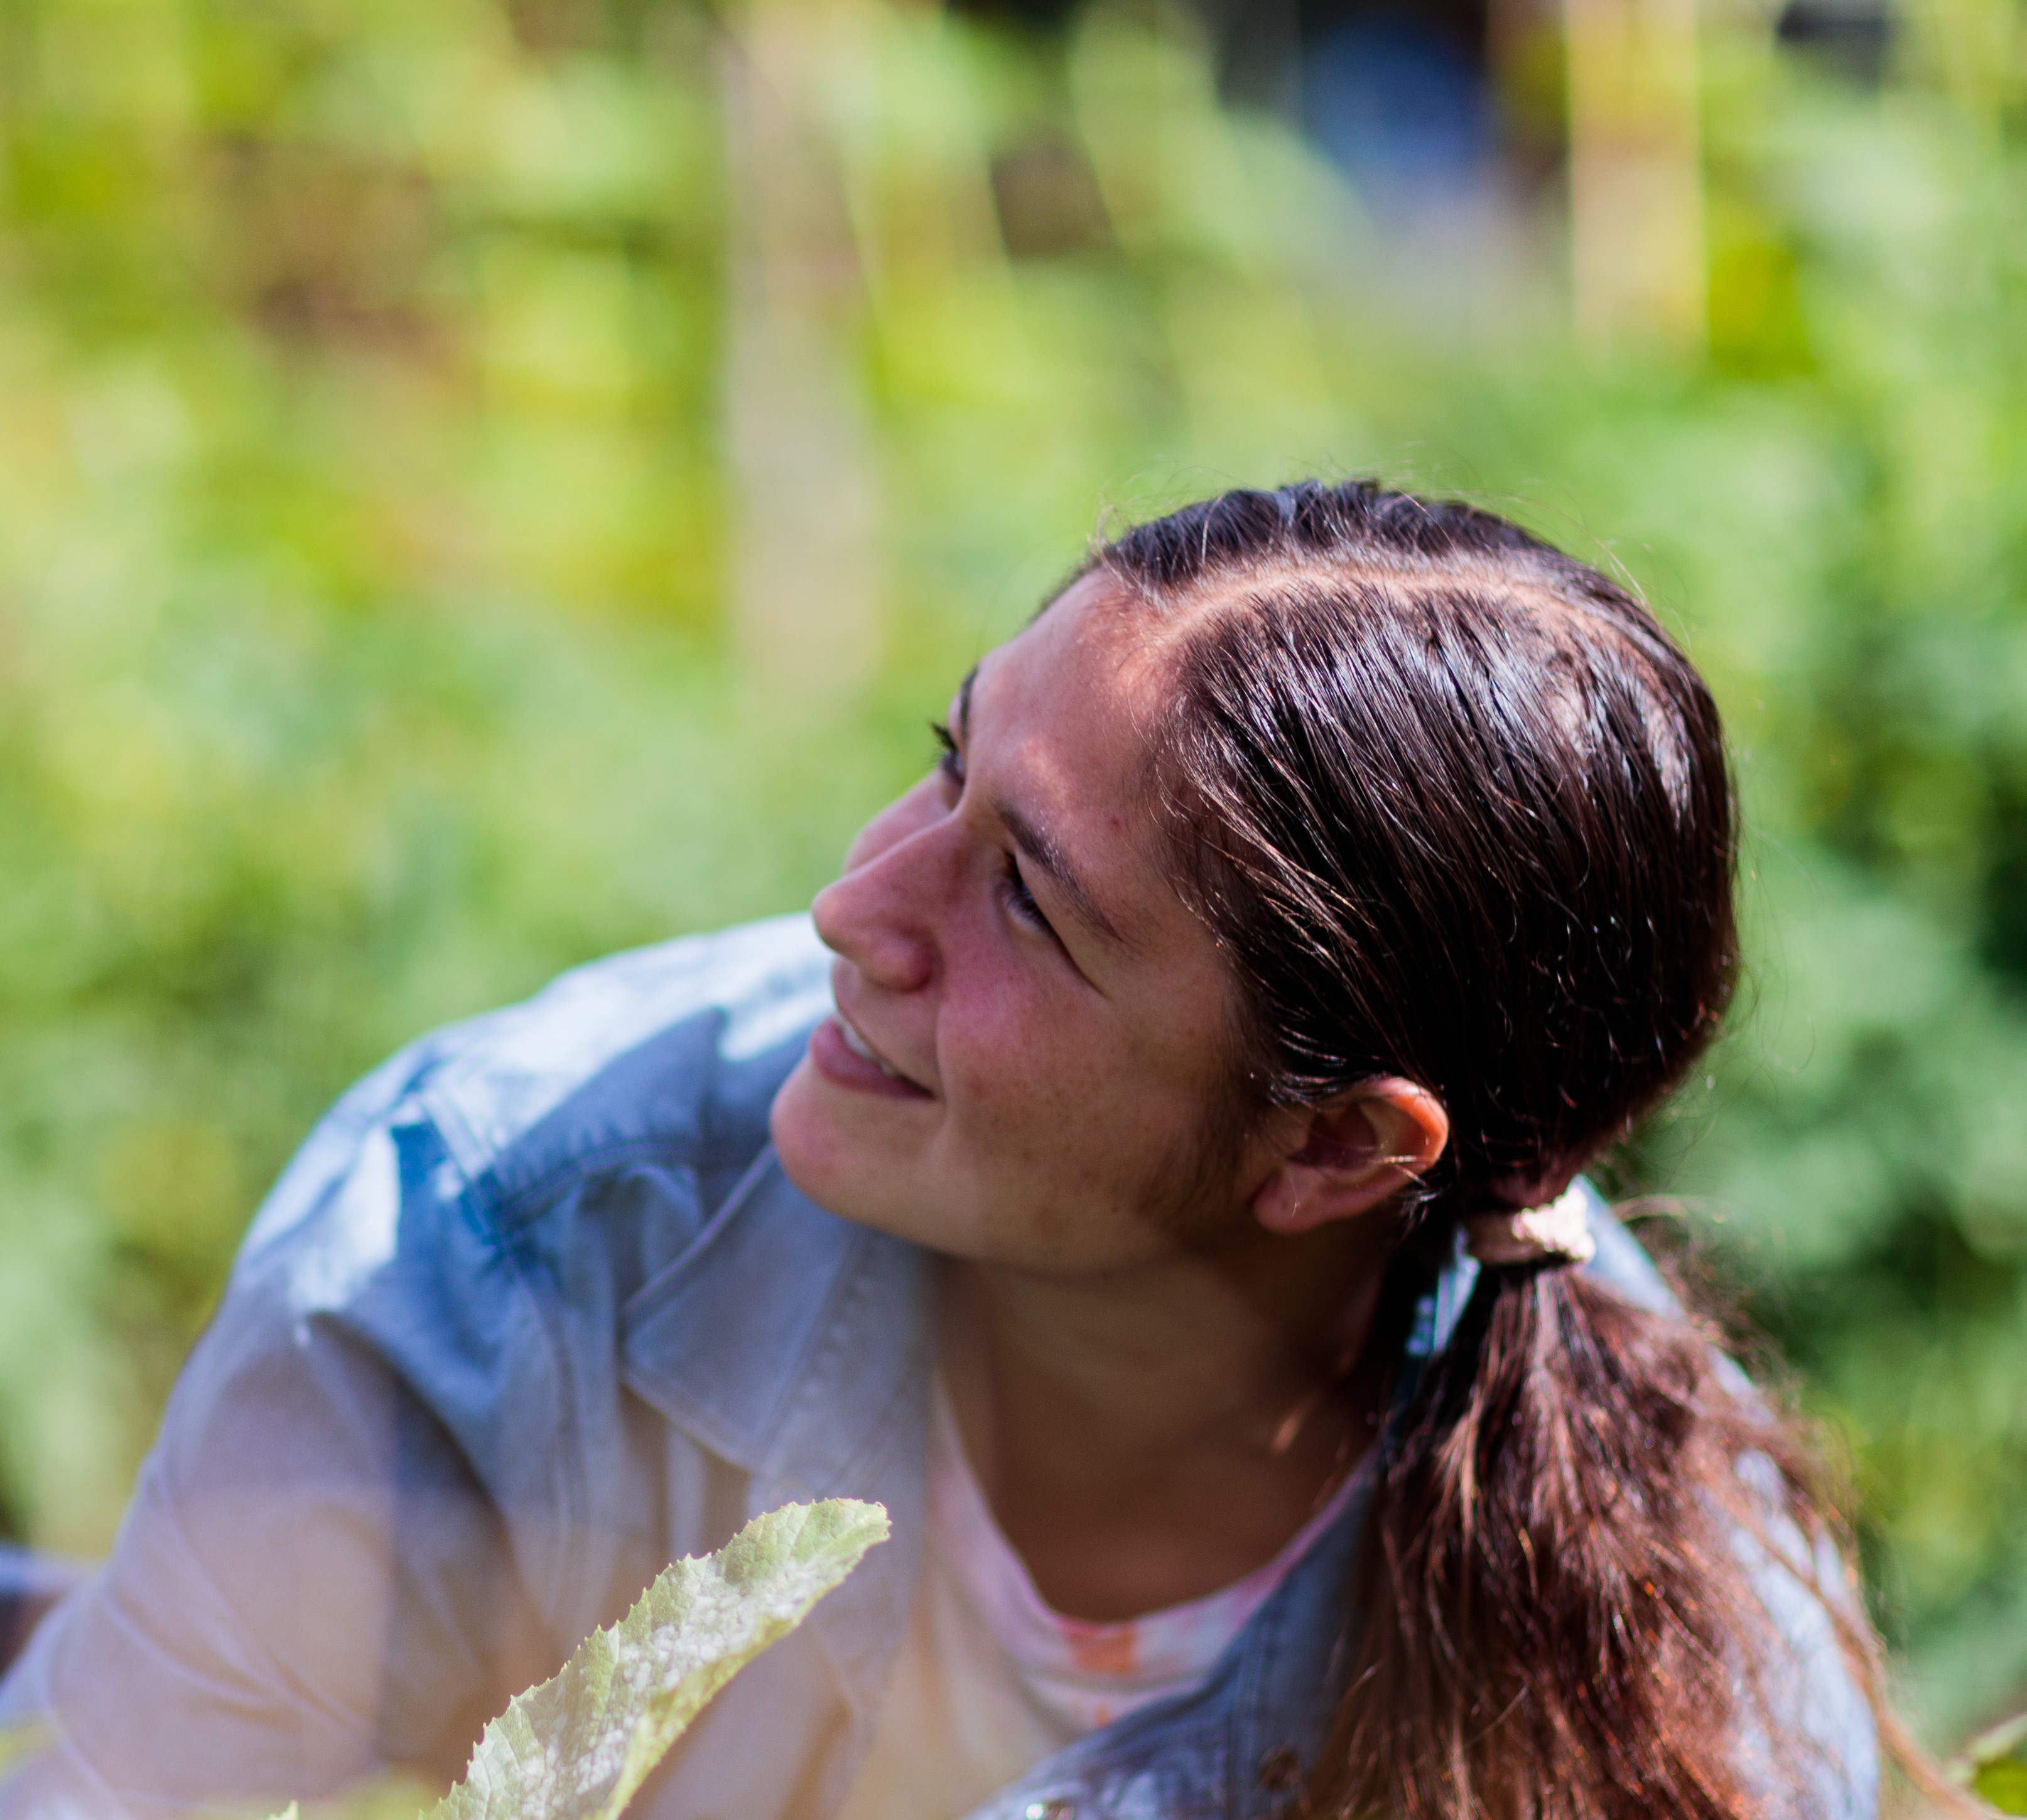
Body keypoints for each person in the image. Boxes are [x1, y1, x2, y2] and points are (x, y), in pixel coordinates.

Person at [0, 482, 1904, 1820]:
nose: (854, 904)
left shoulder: (1678, 1662)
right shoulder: (496, 1237)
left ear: (1330, 1146)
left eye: (1032, 905)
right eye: (944, 760)